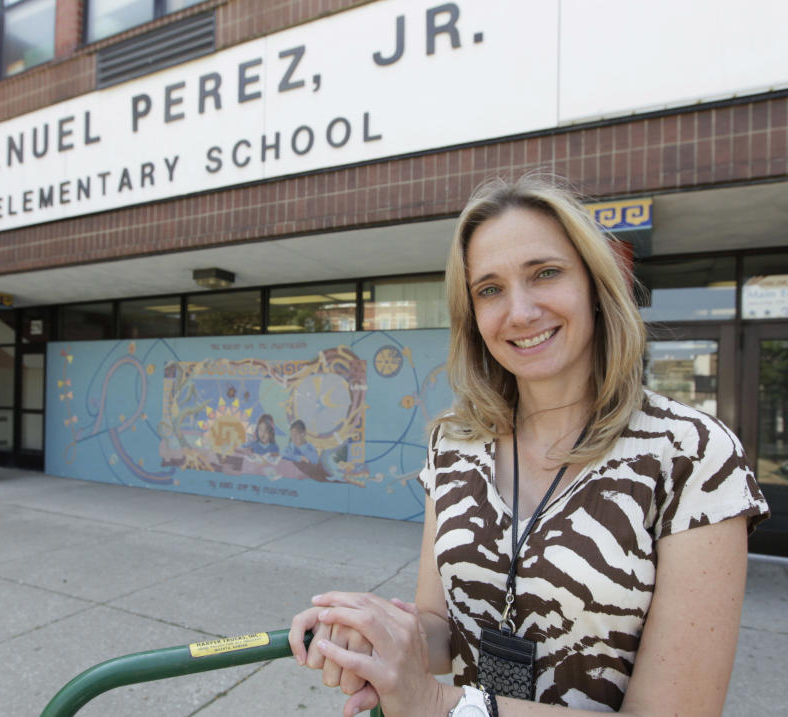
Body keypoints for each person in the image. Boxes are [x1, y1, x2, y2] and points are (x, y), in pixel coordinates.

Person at [290, 175, 769, 717]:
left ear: (594, 285)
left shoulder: (690, 453)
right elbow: (441, 628)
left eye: (545, 273)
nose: (519, 313)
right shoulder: (453, 442)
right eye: (489, 289)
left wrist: (440, 705)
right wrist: (371, 635)